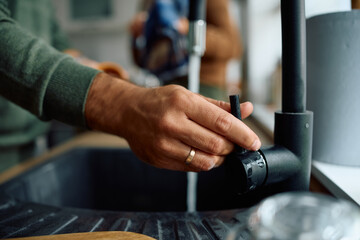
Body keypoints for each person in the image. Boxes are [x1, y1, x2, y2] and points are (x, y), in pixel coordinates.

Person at [0, 0, 261, 173]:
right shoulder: (150, 2)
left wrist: (184, 29)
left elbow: (57, 45)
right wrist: (139, 37)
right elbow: (145, 59)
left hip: (204, 93)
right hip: (168, 94)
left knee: (209, 153)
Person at [129, 0, 242, 101]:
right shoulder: (151, 3)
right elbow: (142, 61)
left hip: (205, 86)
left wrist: (188, 29)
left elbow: (232, 47)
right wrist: (138, 36)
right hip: (164, 85)